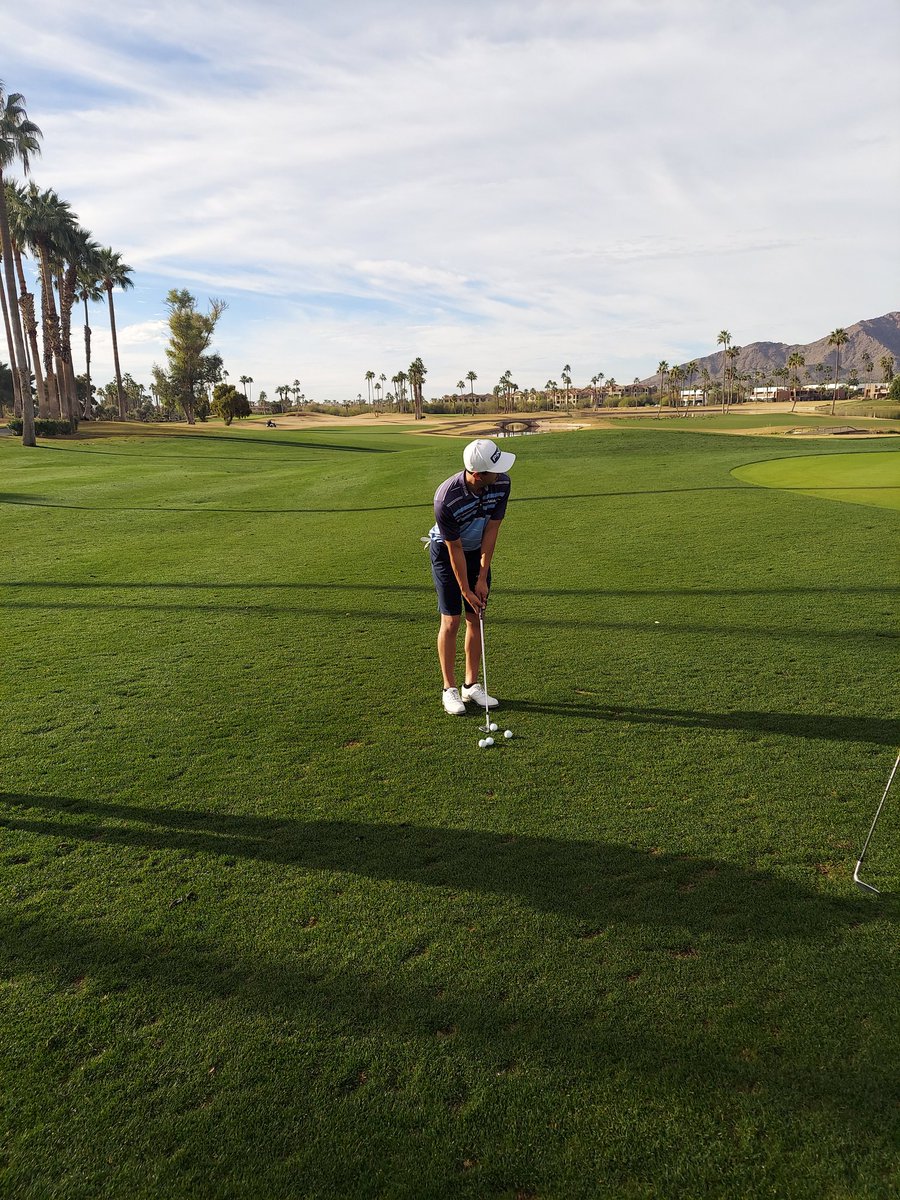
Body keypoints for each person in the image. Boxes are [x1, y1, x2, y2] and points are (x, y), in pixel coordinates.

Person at [426, 438, 516, 715]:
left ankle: (471, 686)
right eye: (494, 469)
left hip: (476, 551)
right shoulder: (446, 498)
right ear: (477, 474)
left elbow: (492, 530)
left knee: (476, 616)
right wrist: (465, 588)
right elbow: (454, 548)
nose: (500, 473)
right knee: (451, 620)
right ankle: (449, 689)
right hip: (446, 552)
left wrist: (481, 576)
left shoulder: (502, 484)